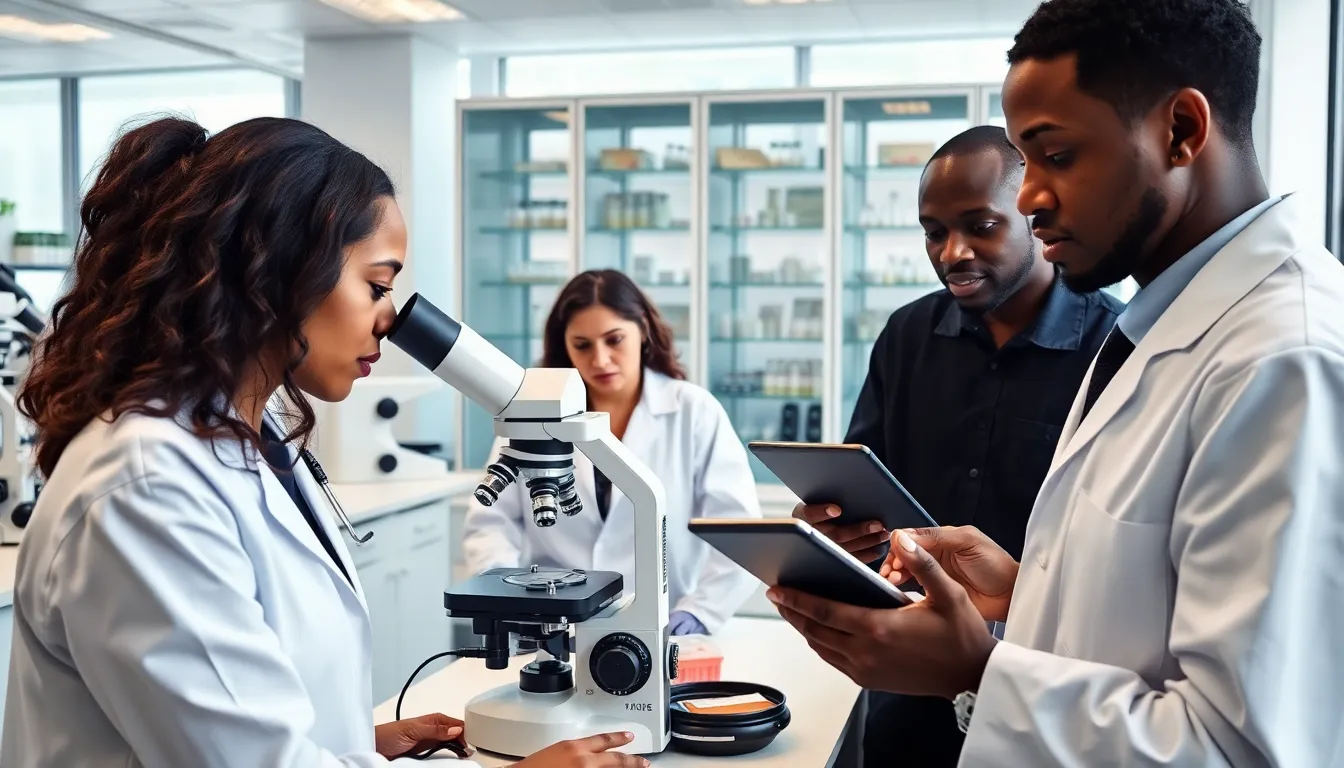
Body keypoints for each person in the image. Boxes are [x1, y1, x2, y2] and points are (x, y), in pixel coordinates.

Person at [773, 0, 1344, 765]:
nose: (1032, 196)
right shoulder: (1163, 327)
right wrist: (1023, 596)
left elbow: (1240, 746)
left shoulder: (1287, 361)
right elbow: (1142, 624)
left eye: (1057, 156)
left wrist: (975, 673)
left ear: (1180, 130)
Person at [1, 116, 648, 768]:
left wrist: (351, 745)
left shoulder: (260, 439)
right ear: (282, 270)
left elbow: (238, 725)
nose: (390, 318)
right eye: (376, 285)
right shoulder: (146, 486)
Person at [801, 125, 1122, 767]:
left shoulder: (1115, 349)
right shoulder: (907, 335)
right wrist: (835, 530)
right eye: (933, 232)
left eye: (980, 226)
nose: (952, 253)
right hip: (906, 688)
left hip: (1046, 691)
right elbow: (865, 489)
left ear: (1033, 215)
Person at [462, 269, 760, 636]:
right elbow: (490, 522)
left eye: (614, 339)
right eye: (583, 345)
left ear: (643, 331)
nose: (600, 360)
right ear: (565, 347)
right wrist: (509, 599)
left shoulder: (693, 412)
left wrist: (700, 613)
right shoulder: (535, 413)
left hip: (663, 628)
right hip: (556, 630)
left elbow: (740, 530)